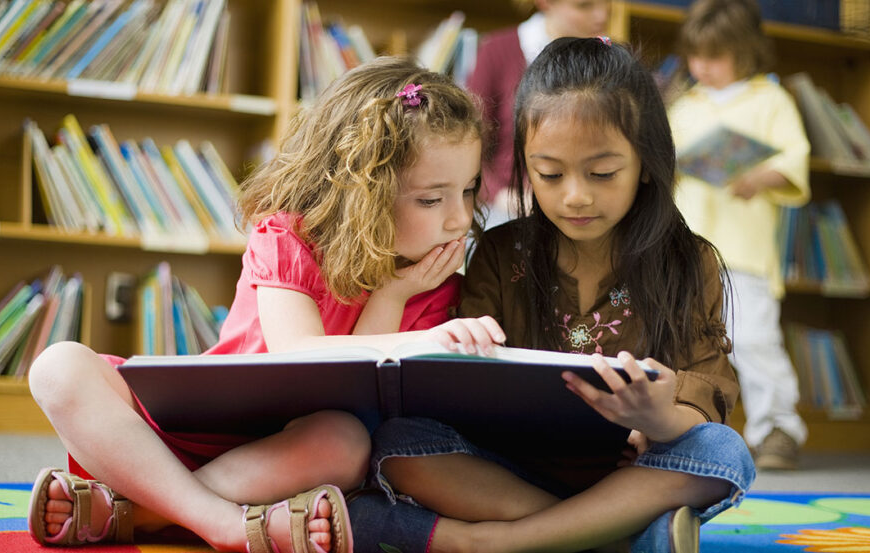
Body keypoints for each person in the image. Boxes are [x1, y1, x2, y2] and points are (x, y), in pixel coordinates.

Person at [25, 57, 505, 553]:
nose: (460, 219)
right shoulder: (287, 236)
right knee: (57, 368)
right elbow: (298, 351)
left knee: (346, 443)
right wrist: (415, 335)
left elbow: (350, 396)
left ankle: (137, 513)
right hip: (174, 433)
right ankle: (225, 526)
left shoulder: (435, 285)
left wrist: (392, 294)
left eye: (468, 191)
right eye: (431, 200)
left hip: (280, 456)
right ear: (362, 191)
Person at [346, 37, 755, 553]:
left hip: (636, 472)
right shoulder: (499, 252)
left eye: (602, 173)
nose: (575, 195)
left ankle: (490, 544)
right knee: (398, 443)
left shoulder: (687, 262)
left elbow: (709, 387)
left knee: (724, 452)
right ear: (525, 163)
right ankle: (613, 538)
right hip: (511, 473)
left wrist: (659, 418)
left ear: (646, 163)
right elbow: (457, 389)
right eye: (550, 174)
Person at [669, 0, 811, 470]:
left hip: (744, 251)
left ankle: (776, 429)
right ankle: (686, 427)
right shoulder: (684, 105)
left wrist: (761, 177)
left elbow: (795, 158)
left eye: (715, 56)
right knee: (684, 340)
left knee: (753, 340)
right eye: (695, 56)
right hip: (686, 248)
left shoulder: (770, 100)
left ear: (745, 52)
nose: (702, 67)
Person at [467, 0, 611, 228]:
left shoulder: (610, 59)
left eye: (608, 2)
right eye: (584, 6)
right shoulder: (496, 50)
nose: (602, 15)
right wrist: (498, 195)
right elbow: (467, 142)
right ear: (545, 3)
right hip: (509, 208)